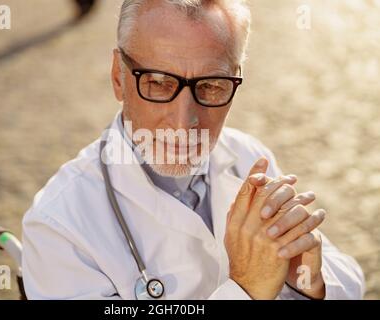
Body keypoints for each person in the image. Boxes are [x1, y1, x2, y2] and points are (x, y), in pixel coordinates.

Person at [21, 0, 365, 299]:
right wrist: (247, 289)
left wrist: (309, 282)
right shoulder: (59, 225)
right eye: (158, 82)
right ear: (118, 77)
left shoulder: (246, 157)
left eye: (212, 86)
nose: (184, 122)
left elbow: (350, 282)